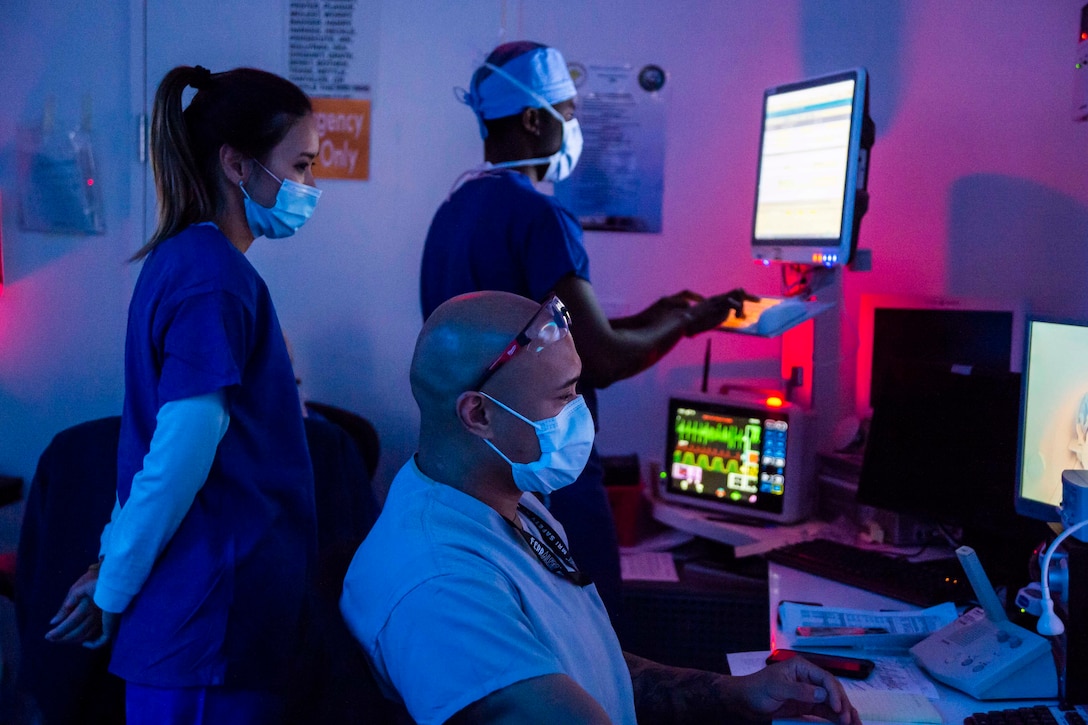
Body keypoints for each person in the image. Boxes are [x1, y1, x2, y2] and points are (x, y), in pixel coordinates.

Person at [341, 290, 859, 725]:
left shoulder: (511, 503)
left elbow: (586, 668)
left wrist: (737, 694)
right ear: (478, 413)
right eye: (564, 396)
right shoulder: (440, 581)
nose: (580, 415)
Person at [419, 41, 756, 616]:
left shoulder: (453, 212)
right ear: (533, 117)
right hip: (545, 477)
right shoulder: (540, 217)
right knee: (596, 651)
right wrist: (686, 323)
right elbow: (599, 359)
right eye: (569, 113)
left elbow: (541, 337)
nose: (574, 126)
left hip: (471, 474)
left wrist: (664, 314)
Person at [45, 64, 323, 724]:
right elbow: (176, 456)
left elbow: (153, 451)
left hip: (207, 616)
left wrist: (113, 557)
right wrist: (113, 582)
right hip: (210, 623)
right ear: (237, 163)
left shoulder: (191, 264)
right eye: (303, 166)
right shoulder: (213, 278)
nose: (310, 187)